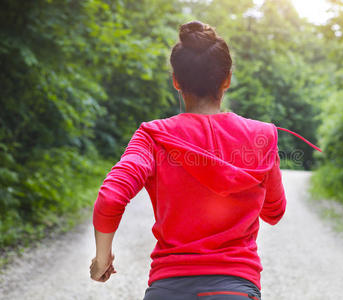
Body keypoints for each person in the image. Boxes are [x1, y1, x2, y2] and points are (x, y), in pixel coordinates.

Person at [89, 20, 287, 300]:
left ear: (176, 81)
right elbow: (274, 212)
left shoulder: (152, 135)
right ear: (227, 79)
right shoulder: (262, 135)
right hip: (235, 288)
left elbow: (110, 198)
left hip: (168, 287)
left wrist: (101, 260)